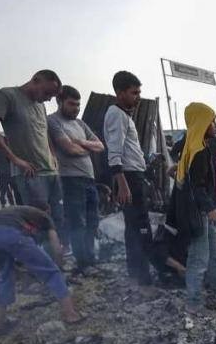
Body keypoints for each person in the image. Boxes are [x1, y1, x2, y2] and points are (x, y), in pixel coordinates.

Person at [0, 70, 64, 229]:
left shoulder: (41, 105)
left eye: (51, 96)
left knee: (58, 220)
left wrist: (53, 156)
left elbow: (44, 133)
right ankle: (39, 253)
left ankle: (59, 252)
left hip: (51, 172)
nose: (48, 98)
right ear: (35, 80)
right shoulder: (8, 96)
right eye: (47, 93)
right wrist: (14, 158)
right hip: (31, 174)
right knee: (39, 224)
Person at [0, 202, 82, 332]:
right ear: (47, 211)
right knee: (52, 273)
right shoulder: (44, 216)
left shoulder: (16, 212)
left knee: (4, 276)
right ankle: (71, 315)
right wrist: (59, 265)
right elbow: (57, 249)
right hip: (10, 233)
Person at [172, 102, 216, 312]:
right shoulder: (199, 150)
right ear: (202, 123)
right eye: (212, 121)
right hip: (199, 212)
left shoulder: (193, 145)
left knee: (215, 253)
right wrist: (210, 208)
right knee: (199, 258)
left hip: (200, 210)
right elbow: (197, 186)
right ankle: (193, 303)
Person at [47, 85, 104, 271]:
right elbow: (69, 149)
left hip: (89, 179)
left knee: (93, 220)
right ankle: (83, 262)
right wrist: (85, 148)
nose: (76, 109)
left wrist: (80, 142)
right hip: (70, 179)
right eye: (72, 104)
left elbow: (100, 146)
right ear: (60, 102)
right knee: (78, 223)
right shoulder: (53, 121)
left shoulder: (80, 124)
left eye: (78, 105)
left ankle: (90, 257)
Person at [104, 70, 153, 285]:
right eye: (134, 92)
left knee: (135, 227)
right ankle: (142, 278)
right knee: (139, 228)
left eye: (139, 92)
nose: (138, 96)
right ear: (120, 92)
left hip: (134, 176)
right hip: (129, 178)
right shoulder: (116, 114)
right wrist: (123, 185)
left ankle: (138, 273)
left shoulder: (123, 115)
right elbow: (114, 153)